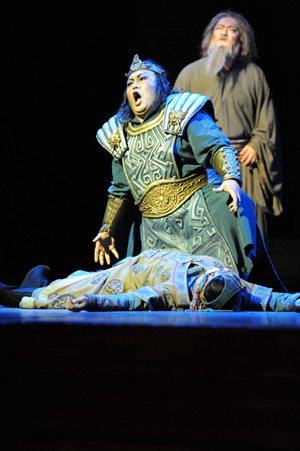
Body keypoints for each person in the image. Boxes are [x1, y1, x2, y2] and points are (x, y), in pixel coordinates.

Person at [93, 54, 283, 290]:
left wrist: (231, 178)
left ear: (161, 82)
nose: (134, 86)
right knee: (160, 291)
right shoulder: (120, 133)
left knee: (235, 208)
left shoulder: (182, 111)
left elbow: (216, 146)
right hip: (153, 228)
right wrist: (107, 229)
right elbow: (120, 189)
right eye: (130, 83)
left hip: (197, 212)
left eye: (142, 79)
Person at [173, 11, 283, 242]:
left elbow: (267, 122)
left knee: (248, 231)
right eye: (219, 28)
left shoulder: (254, 75)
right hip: (203, 167)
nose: (224, 31)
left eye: (232, 29)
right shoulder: (189, 74)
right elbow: (174, 124)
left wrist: (257, 144)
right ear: (209, 38)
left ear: (241, 40)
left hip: (243, 163)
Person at [0, 250, 298, 313]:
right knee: (58, 292)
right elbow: (132, 299)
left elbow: (274, 298)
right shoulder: (182, 291)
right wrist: (93, 299)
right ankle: (33, 283)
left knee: (64, 291)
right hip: (128, 273)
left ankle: (28, 284)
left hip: (137, 270)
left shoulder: (231, 284)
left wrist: (296, 300)